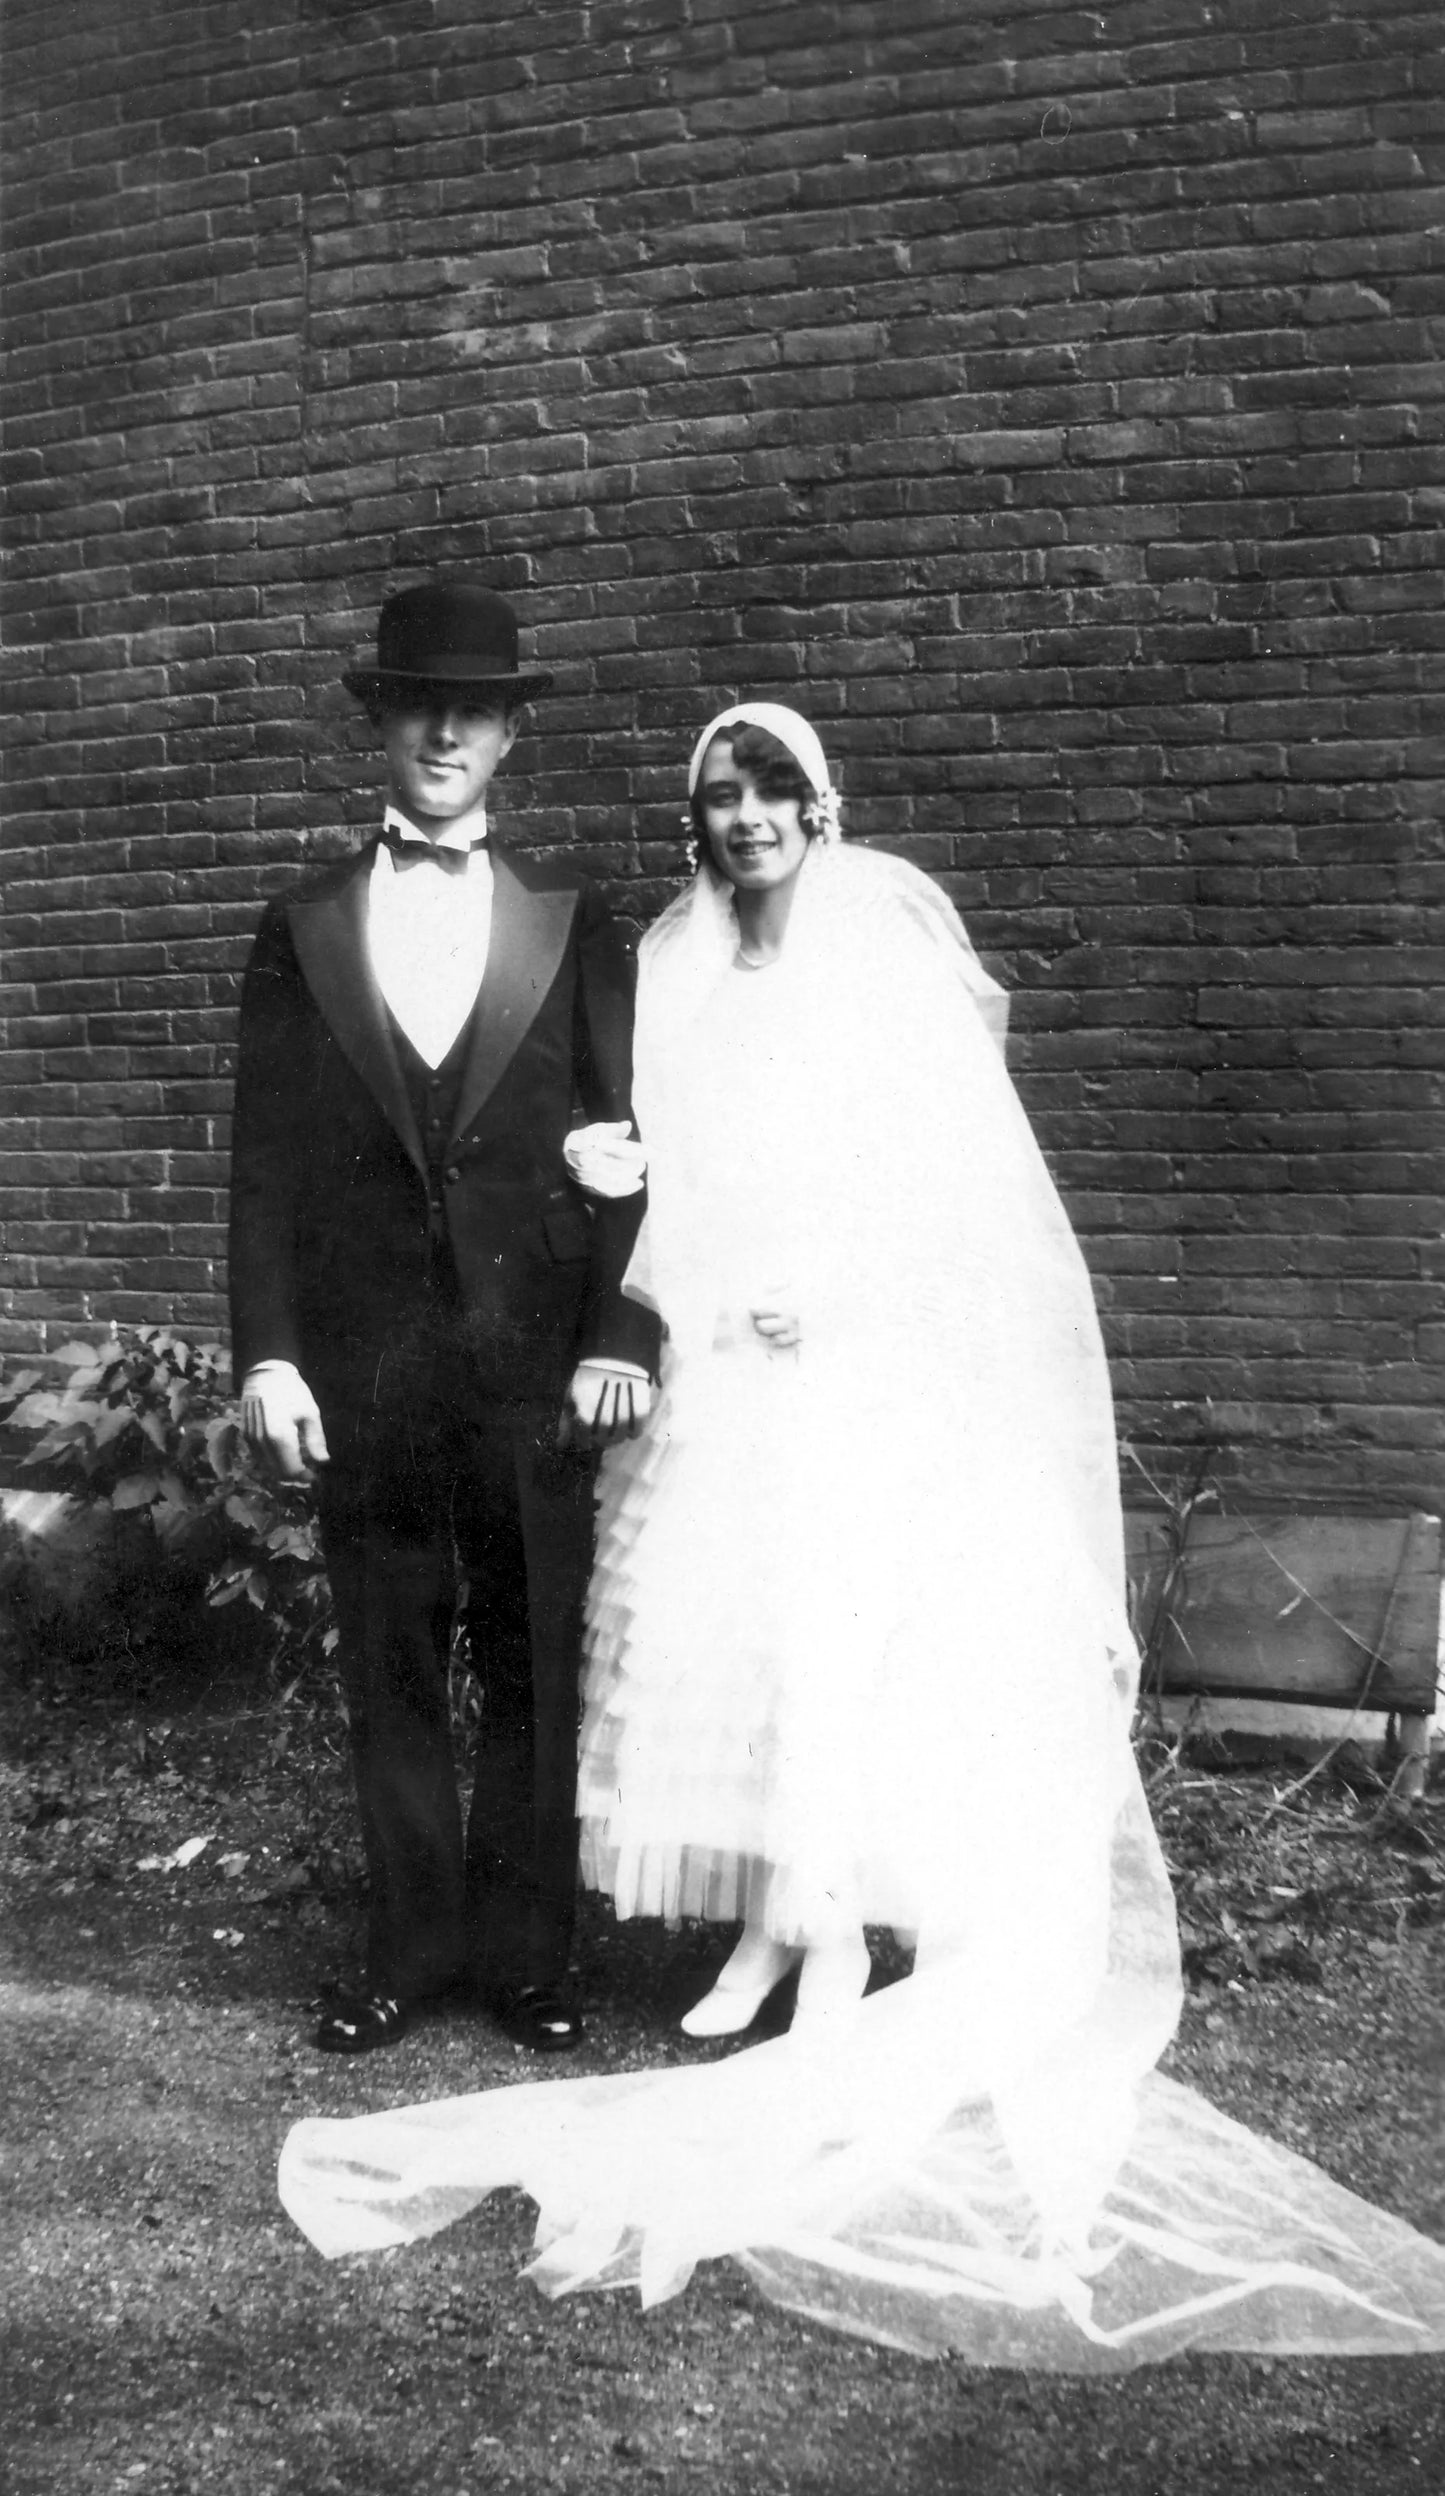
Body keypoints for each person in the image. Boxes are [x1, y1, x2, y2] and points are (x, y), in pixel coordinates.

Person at [276, 706, 1445, 2369]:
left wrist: (832, 1289)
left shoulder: (879, 963)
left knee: (837, 1631)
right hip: (715, 1365)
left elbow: (945, 1187)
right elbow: (639, 1157)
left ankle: (828, 1930)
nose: (745, 819)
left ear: (821, 810)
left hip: (857, 1356)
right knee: (731, 1638)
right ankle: (765, 1920)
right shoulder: (667, 967)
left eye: (770, 793)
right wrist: (607, 1173)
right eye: (719, 797)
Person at [229, 576, 657, 2059]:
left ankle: (527, 1957)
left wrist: (618, 1333)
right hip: (370, 1370)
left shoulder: (572, 924)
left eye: (472, 712)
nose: (445, 732)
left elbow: (639, 1156)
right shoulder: (300, 929)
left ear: (506, 741)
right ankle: (406, 1951)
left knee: (534, 1660)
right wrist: (270, 1351)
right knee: (392, 1658)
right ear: (383, 724)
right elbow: (264, 1165)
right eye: (422, 706)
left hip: (534, 1367)